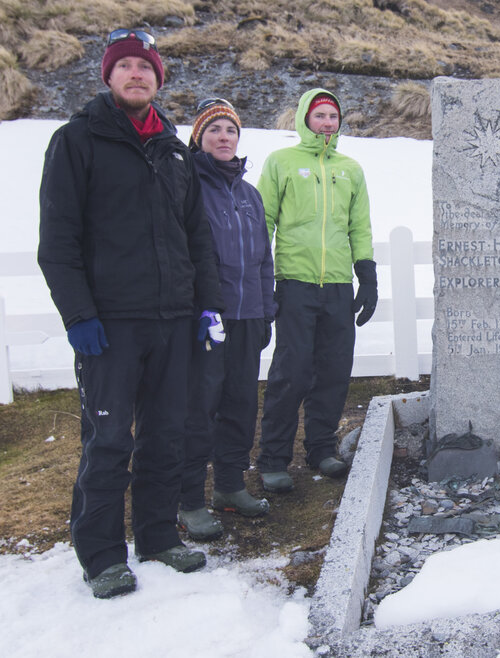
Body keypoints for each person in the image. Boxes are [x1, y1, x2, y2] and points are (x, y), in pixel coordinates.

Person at [37, 29, 224, 598]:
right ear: (108, 76)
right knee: (110, 439)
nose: (137, 74)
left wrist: (207, 305)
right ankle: (100, 556)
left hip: (172, 320)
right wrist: (78, 315)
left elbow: (196, 237)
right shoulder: (77, 141)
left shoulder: (174, 150)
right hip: (111, 325)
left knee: (166, 435)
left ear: (158, 78)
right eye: (126, 67)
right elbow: (59, 239)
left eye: (146, 67)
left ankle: (158, 536)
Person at [254, 88, 377, 493]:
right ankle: (274, 458)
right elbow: (264, 222)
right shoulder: (281, 163)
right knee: (291, 373)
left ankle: (322, 448)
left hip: (338, 286)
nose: (327, 122)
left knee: (334, 371)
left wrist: (367, 275)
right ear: (305, 118)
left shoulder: (351, 169)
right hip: (295, 283)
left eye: (332, 116)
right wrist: (263, 281)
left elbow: (359, 226)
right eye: (319, 115)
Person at [177, 98, 277, 541]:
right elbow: (185, 255)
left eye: (230, 130)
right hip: (208, 319)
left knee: (240, 404)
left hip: (249, 316)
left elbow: (263, 259)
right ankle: (190, 499)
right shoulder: (186, 185)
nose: (223, 137)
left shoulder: (250, 194)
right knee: (200, 408)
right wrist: (199, 308)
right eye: (214, 129)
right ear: (199, 137)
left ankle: (230, 486)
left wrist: (266, 309)